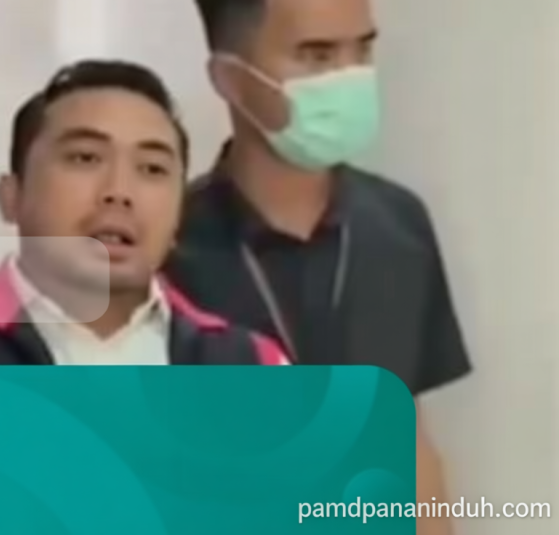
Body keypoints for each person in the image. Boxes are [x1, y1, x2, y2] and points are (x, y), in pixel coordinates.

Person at [164, 1, 472, 533]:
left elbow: (409, 438)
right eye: (317, 55)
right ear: (231, 79)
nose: (348, 79)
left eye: (362, 50)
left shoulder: (399, 225)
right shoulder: (164, 251)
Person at [0, 60, 286, 367]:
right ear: (11, 197)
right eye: (85, 158)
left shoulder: (252, 369)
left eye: (152, 169)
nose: (119, 192)